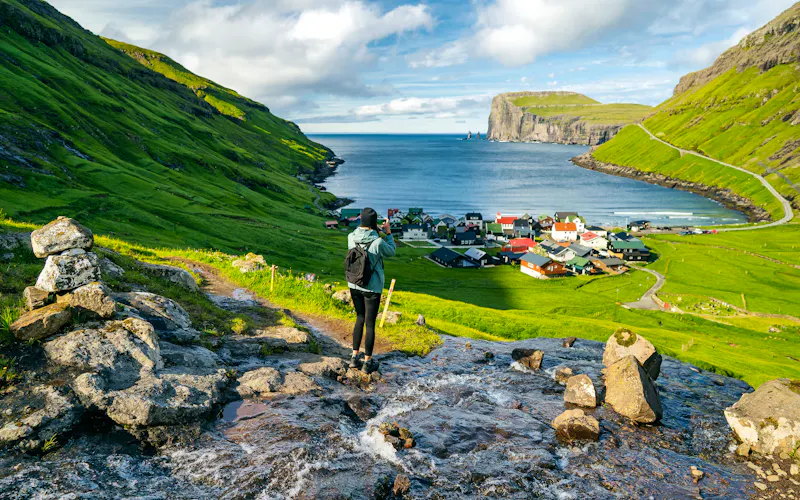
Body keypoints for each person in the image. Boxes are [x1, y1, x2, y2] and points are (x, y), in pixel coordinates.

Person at [347, 207, 396, 373]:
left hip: (354, 284)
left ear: (361, 220)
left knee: (359, 318)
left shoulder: (351, 237)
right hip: (372, 287)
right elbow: (392, 252)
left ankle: (354, 357)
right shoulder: (378, 242)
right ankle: (367, 362)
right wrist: (387, 233)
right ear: (374, 222)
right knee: (370, 323)